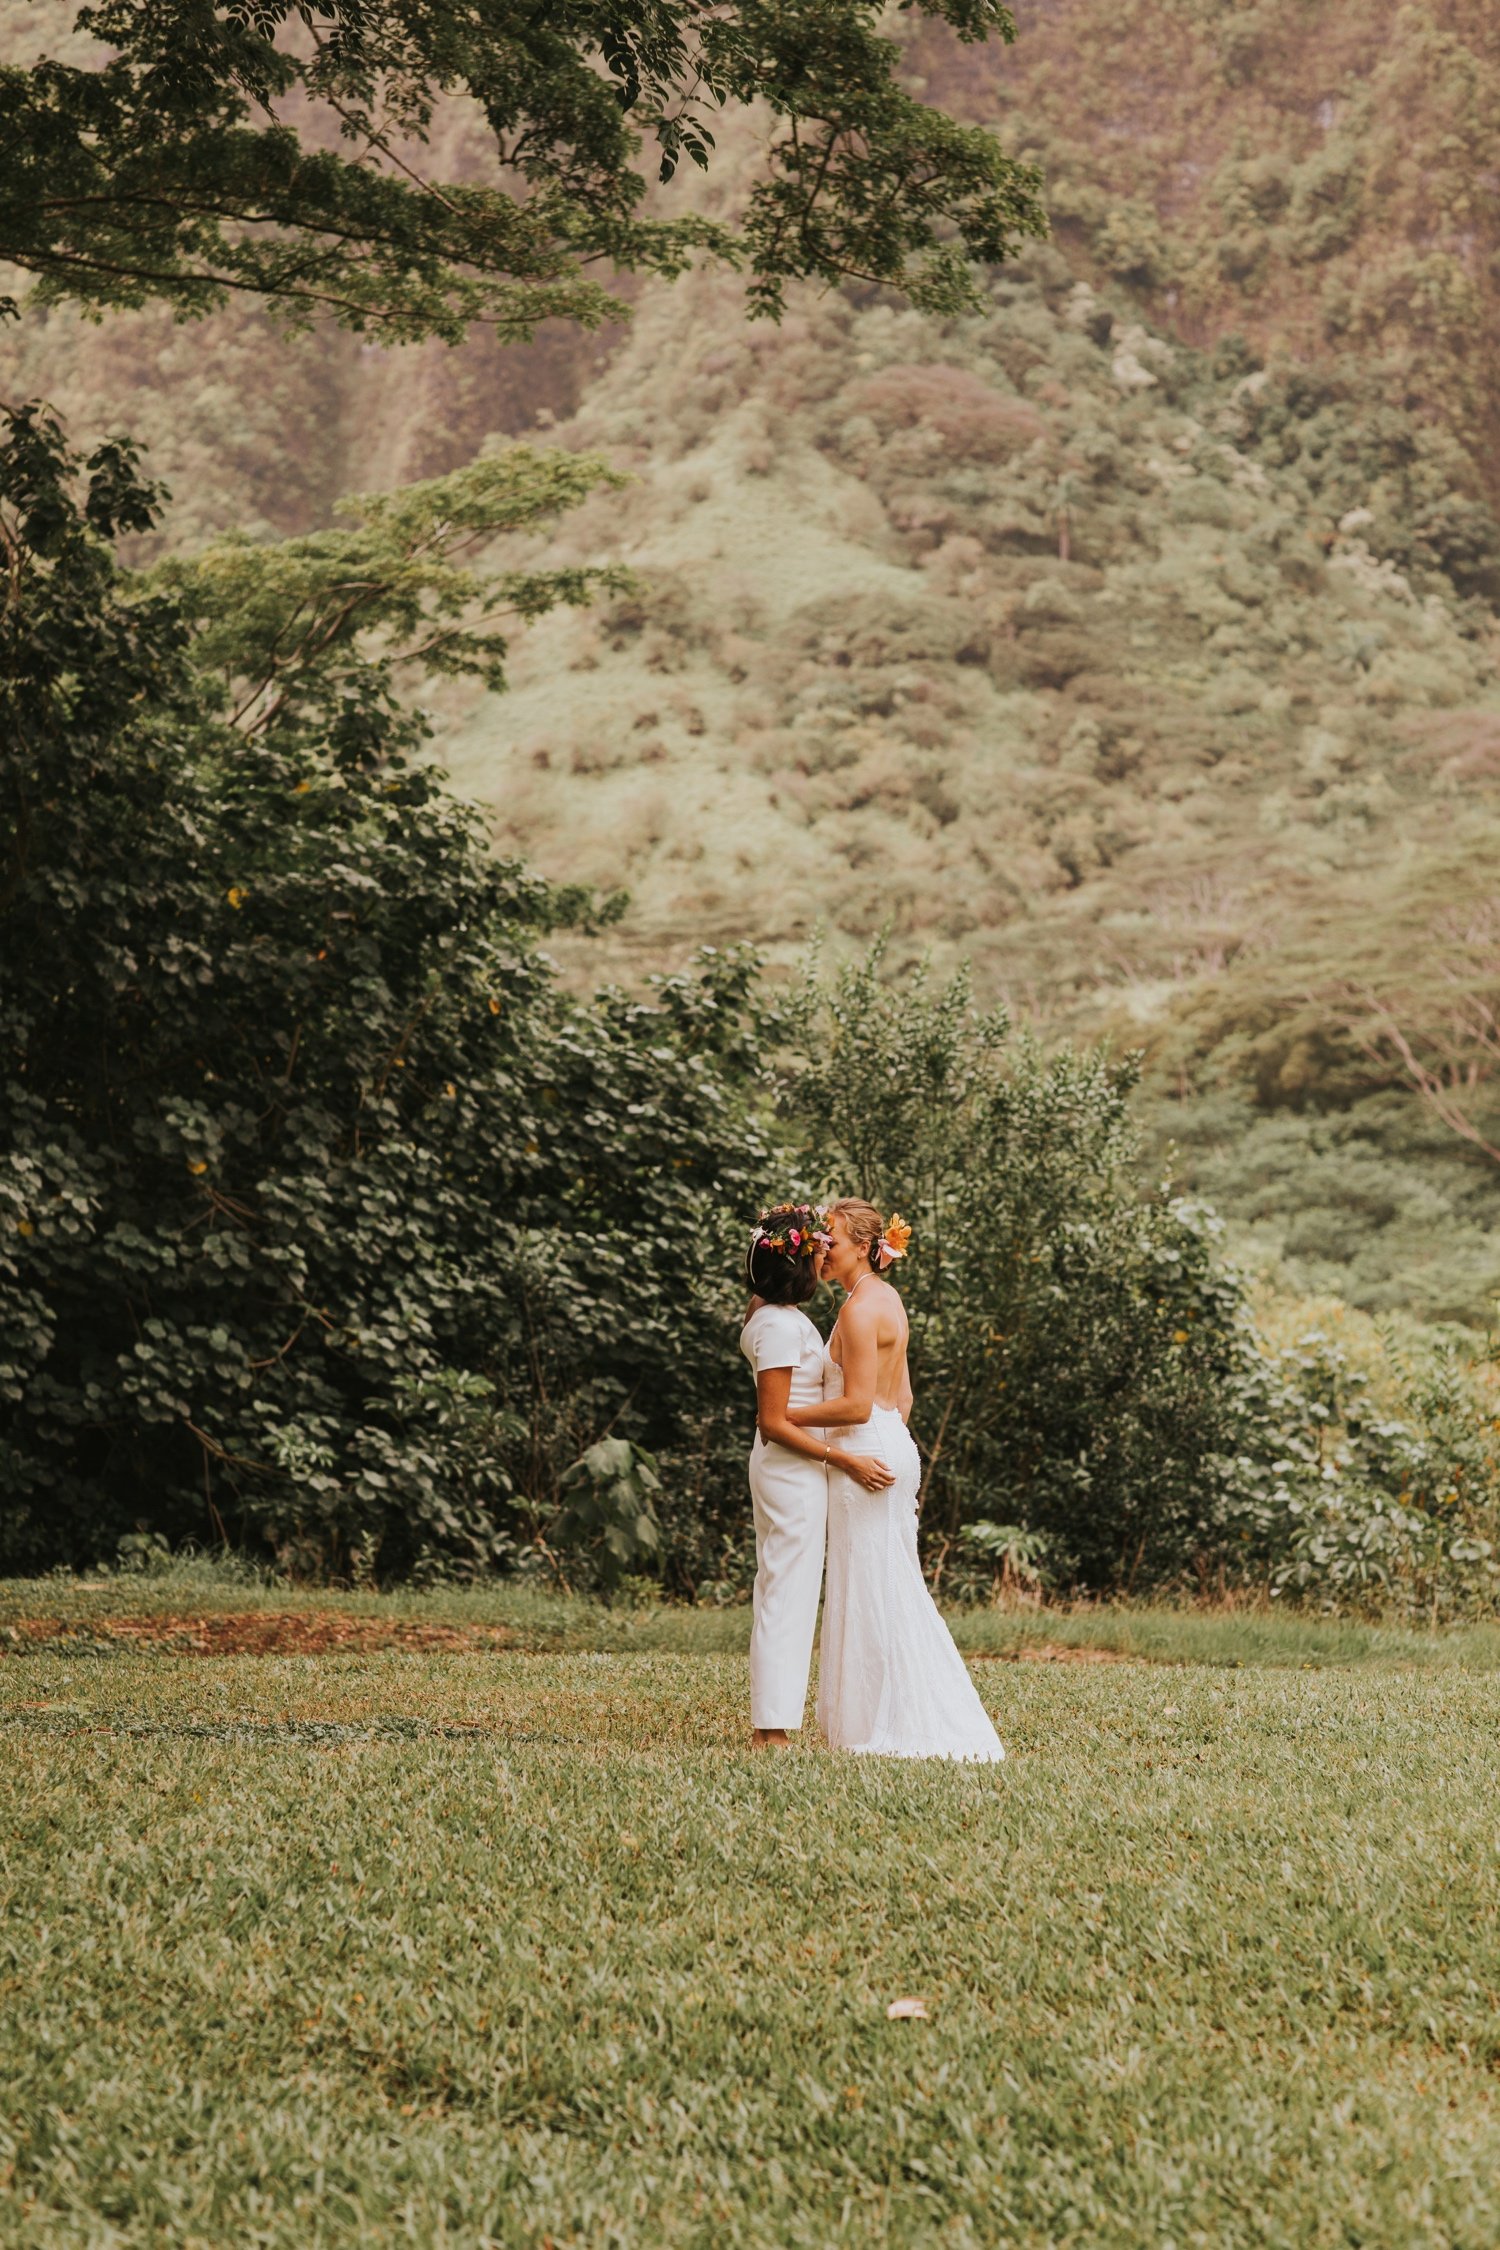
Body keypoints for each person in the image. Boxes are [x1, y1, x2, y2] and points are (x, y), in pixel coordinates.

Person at [787, 1199, 1005, 1763]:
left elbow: (857, 1405)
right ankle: (872, 1716)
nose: (821, 1249)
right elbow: (900, 1398)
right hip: (890, 1445)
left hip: (867, 1453)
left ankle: (892, 1721)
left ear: (863, 1246)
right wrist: (885, 1441)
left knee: (873, 1585)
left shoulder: (859, 1311)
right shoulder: (884, 1300)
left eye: (830, 1239)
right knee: (882, 1582)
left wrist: (785, 1417)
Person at [740, 1204, 894, 1750]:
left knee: (791, 1589)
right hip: (794, 1470)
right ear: (797, 1267)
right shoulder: (779, 1326)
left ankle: (775, 1721)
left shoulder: (773, 1314)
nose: (826, 1250)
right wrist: (846, 1459)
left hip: (798, 1467)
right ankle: (770, 1730)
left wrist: (783, 1243)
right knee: (787, 1592)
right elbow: (776, 1423)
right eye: (816, 1249)